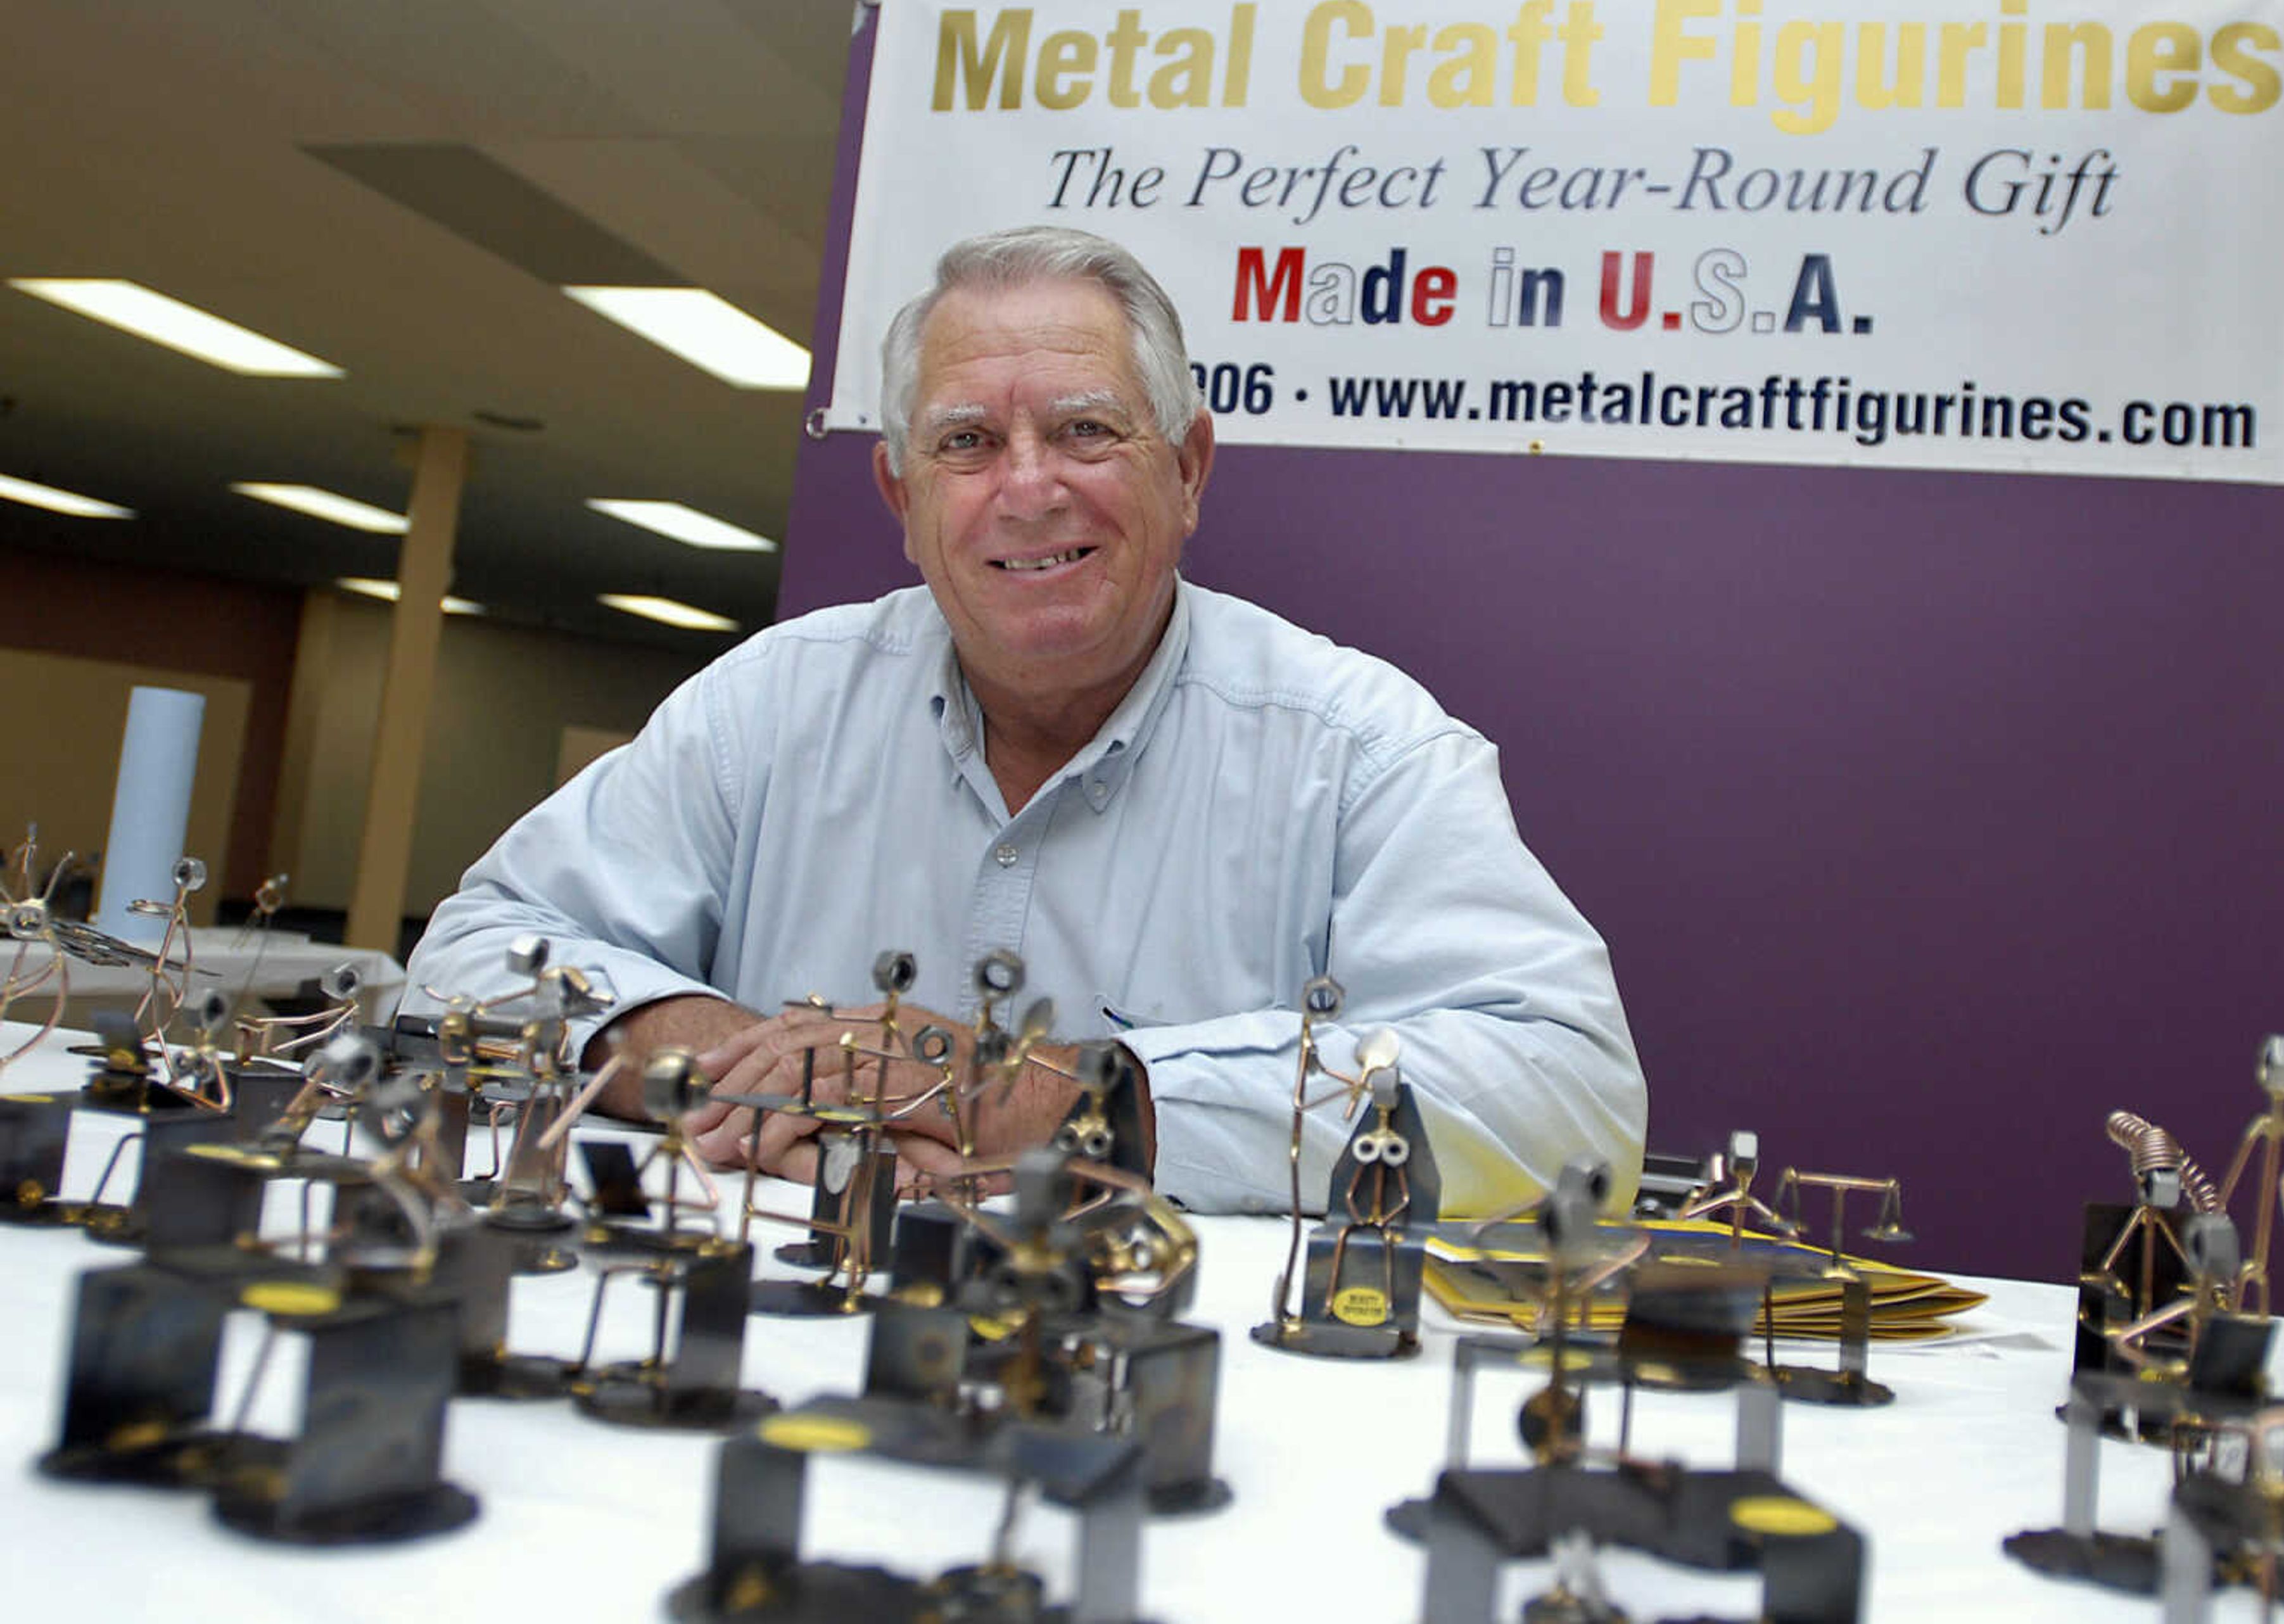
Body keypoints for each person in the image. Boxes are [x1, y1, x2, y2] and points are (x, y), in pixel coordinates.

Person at [404, 225, 1646, 1215]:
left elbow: (1568, 1102)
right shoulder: (769, 708)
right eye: (967, 442)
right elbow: (481, 945)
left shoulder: (1361, 751)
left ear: (1190, 469)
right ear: (902, 494)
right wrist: (724, 1053)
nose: (1028, 486)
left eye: (1085, 429)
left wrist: (1056, 1101)